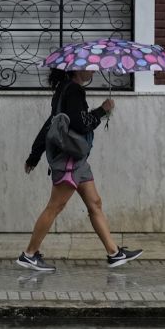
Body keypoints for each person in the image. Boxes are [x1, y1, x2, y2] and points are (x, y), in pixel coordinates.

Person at [18, 68, 142, 272]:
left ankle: (114, 253)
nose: (93, 70)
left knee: (95, 203)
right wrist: (102, 110)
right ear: (77, 69)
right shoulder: (74, 90)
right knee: (55, 206)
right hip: (69, 159)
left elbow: (51, 123)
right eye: (89, 67)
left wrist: (35, 154)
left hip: (78, 160)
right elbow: (80, 124)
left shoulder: (63, 89)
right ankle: (29, 254)